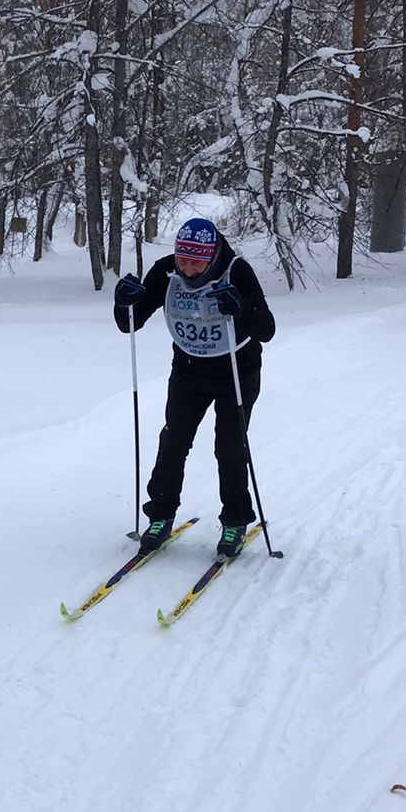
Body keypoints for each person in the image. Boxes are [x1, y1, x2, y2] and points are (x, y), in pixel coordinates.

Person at [114, 217, 275, 560]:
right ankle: (160, 516)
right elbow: (131, 322)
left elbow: (266, 329)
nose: (187, 270)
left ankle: (235, 521)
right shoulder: (165, 271)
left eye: (196, 262)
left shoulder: (236, 271)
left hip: (237, 371)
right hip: (189, 370)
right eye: (182, 260)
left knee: (229, 447)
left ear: (212, 256)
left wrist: (241, 307)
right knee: (173, 442)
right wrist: (123, 302)